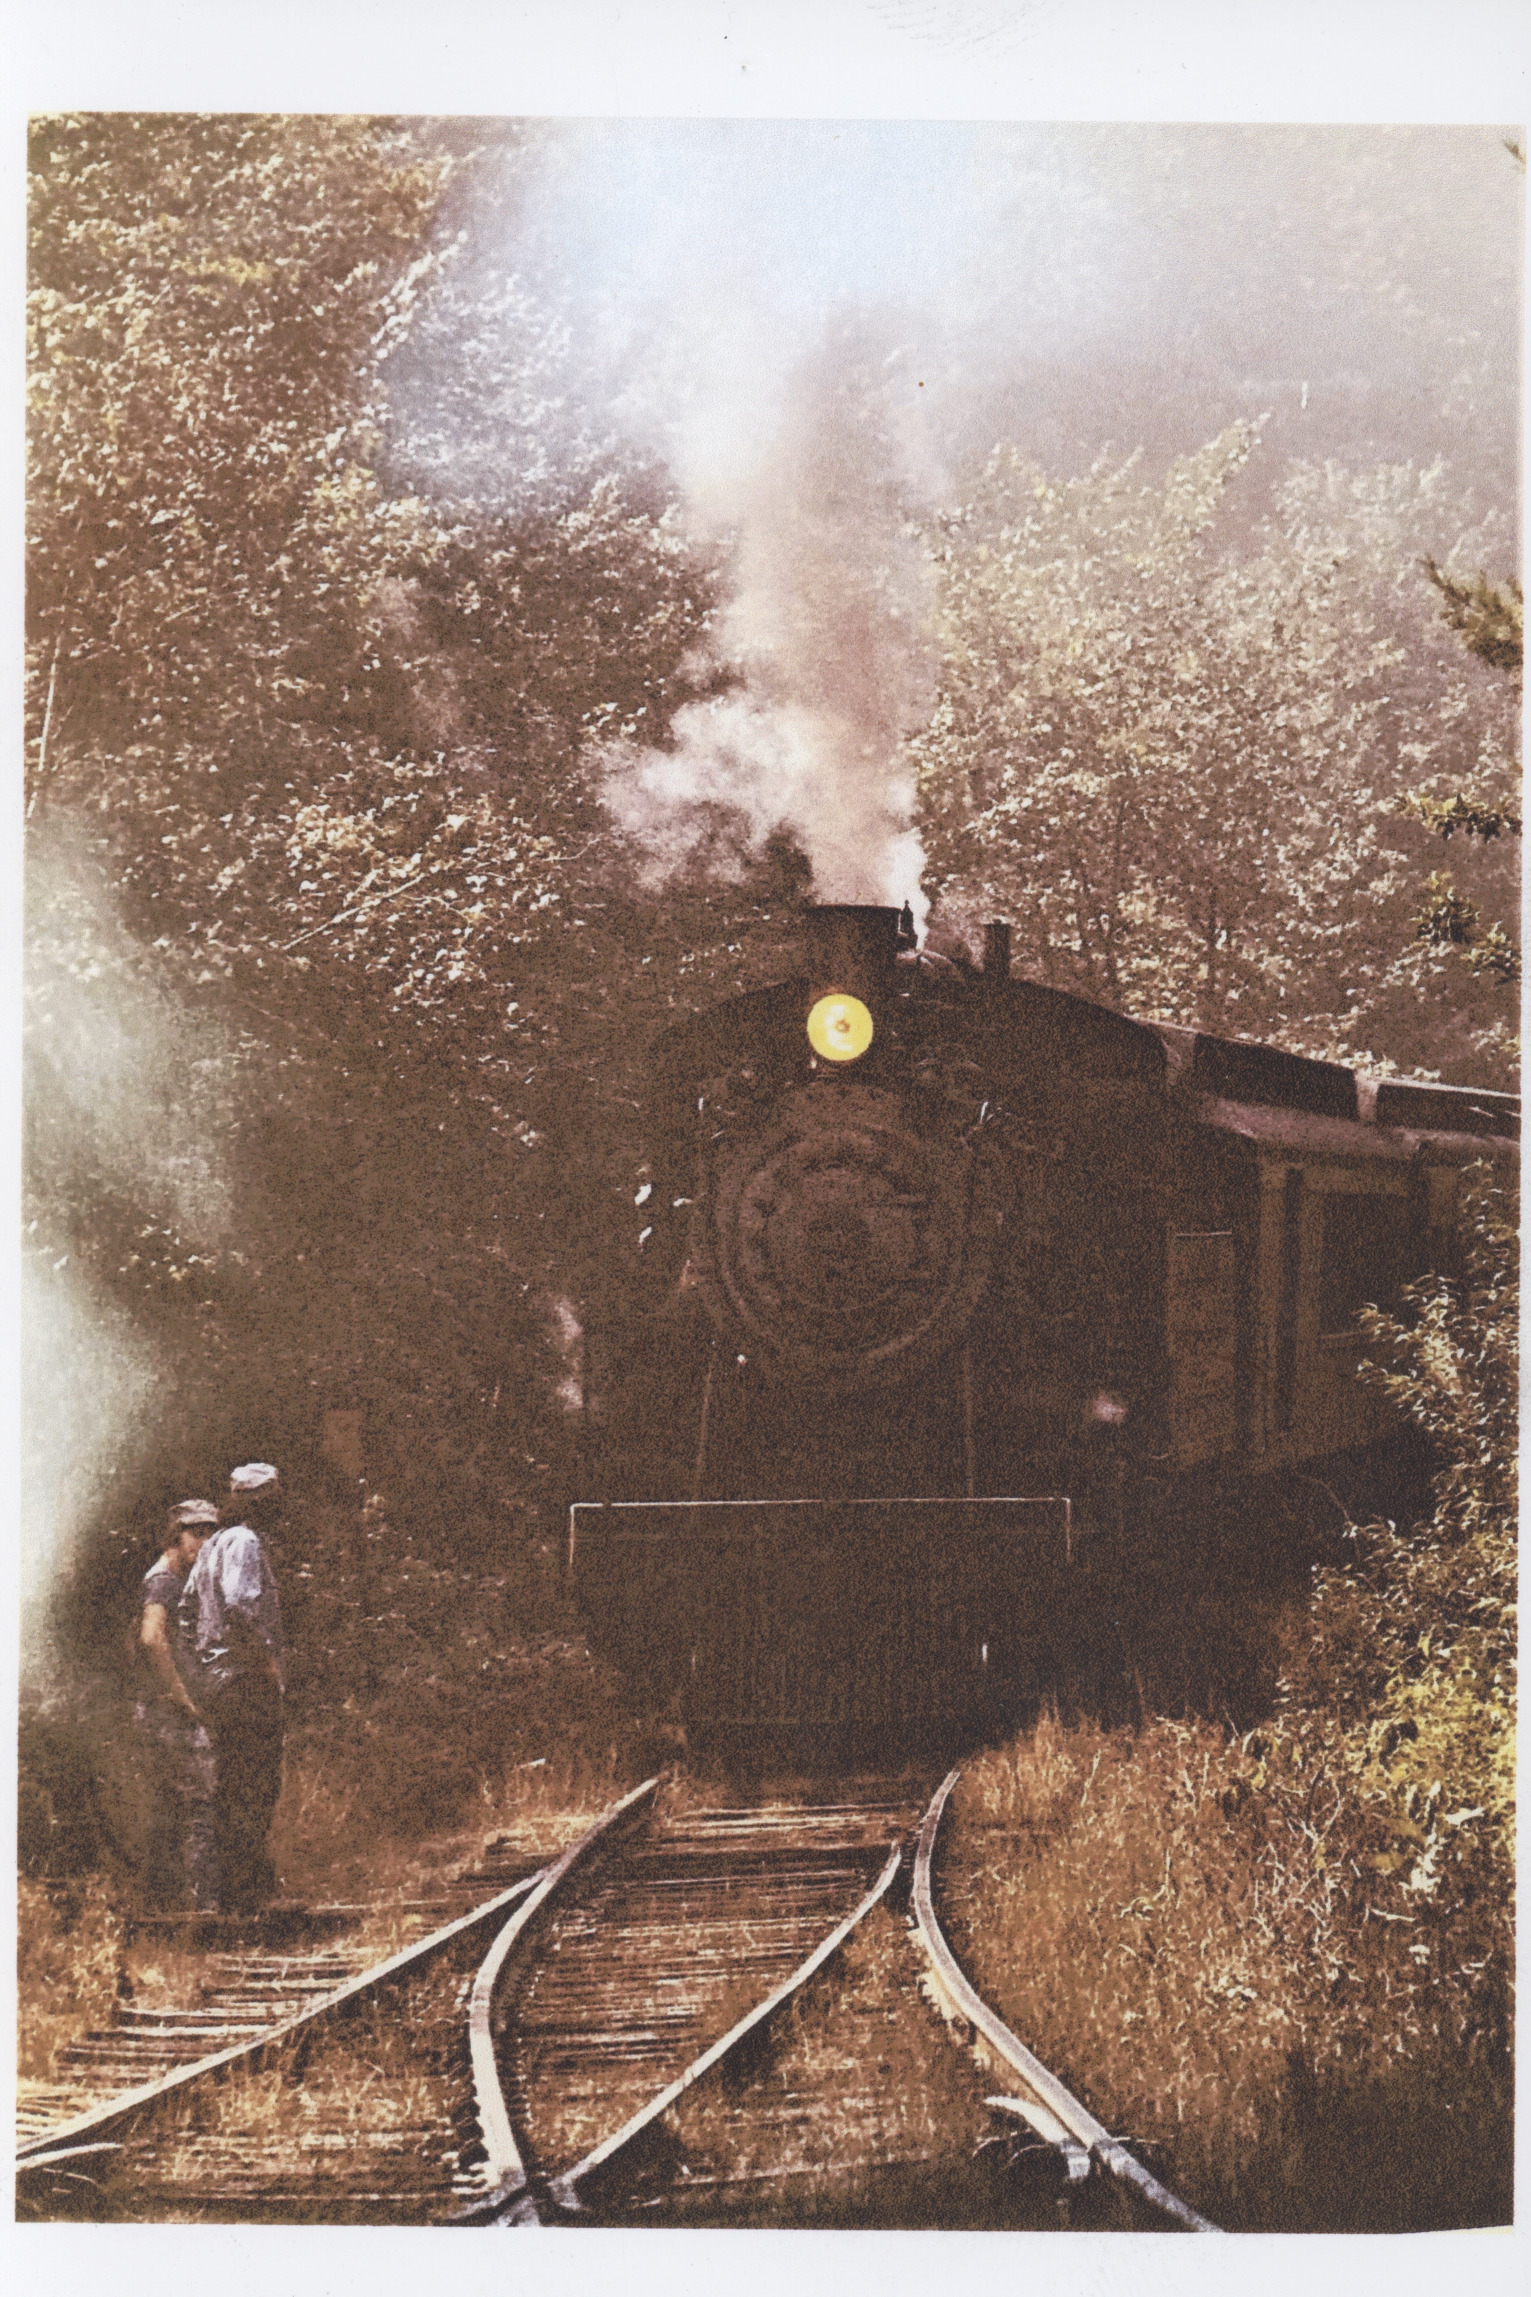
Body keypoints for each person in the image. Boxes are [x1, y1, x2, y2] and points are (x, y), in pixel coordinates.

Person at [180, 1462, 287, 1913]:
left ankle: (234, 1893)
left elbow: (186, 1613)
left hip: (220, 1683)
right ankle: (247, 1894)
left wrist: (202, 1670)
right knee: (256, 1785)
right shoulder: (244, 1541)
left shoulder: (212, 1546)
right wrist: (264, 1663)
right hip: (246, 1681)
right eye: (273, 1499)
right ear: (260, 1502)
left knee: (233, 1785)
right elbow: (242, 1606)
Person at [136, 1499, 219, 1910]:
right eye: (195, 1534)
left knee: (168, 1805)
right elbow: (151, 1637)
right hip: (169, 1712)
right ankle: (205, 1904)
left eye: (209, 1534)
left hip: (158, 1710)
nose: (203, 1543)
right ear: (175, 1536)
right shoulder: (164, 1580)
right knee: (204, 1801)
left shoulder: (172, 1579)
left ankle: (160, 1903)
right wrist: (182, 1696)